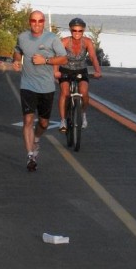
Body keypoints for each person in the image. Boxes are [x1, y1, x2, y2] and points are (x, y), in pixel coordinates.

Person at [13, 10, 67, 172]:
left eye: (40, 21)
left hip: (46, 87)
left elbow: (63, 58)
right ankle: (30, 156)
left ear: (44, 22)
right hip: (27, 85)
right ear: (29, 22)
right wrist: (16, 61)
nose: (37, 24)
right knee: (28, 121)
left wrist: (46, 60)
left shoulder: (52, 38)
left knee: (43, 123)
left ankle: (36, 138)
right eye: (33, 21)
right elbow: (17, 51)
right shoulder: (22, 37)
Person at [54, 17, 102, 132]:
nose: (77, 33)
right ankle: (63, 121)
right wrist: (56, 71)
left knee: (84, 91)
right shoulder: (64, 41)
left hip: (81, 70)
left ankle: (83, 114)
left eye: (79, 31)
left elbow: (93, 57)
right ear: (70, 30)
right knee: (65, 93)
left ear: (83, 31)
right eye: (74, 30)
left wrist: (97, 71)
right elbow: (57, 57)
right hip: (66, 69)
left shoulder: (87, 42)